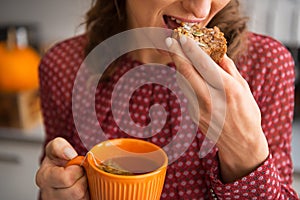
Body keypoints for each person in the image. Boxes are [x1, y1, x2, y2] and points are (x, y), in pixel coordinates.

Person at [35, 0, 299, 199]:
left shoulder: (266, 67)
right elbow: (55, 180)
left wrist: (246, 153)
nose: (201, 9)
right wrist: (57, 189)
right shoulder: (63, 66)